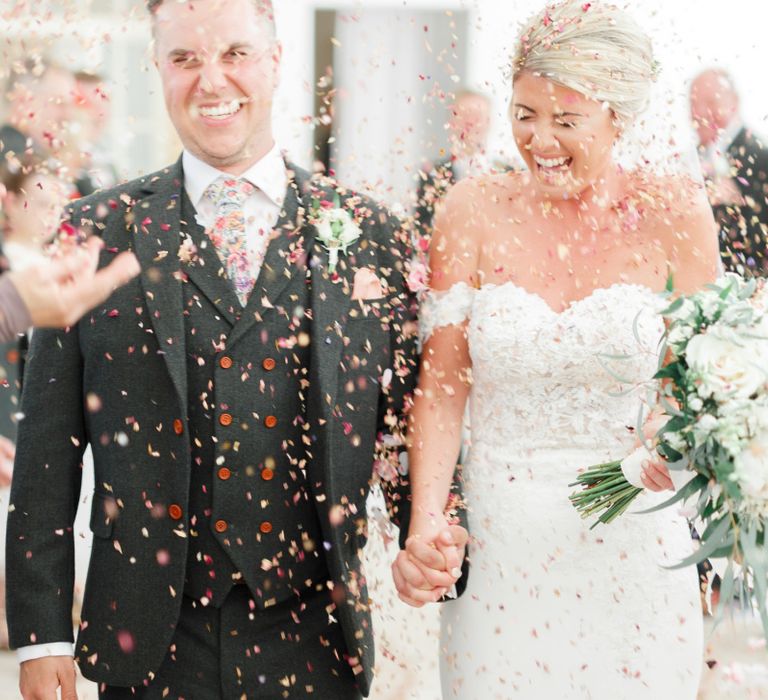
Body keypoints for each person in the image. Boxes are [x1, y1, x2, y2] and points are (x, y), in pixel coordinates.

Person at [6, 1, 466, 698]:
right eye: (185, 58)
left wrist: (424, 534)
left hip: (316, 635)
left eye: (235, 54)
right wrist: (41, 634)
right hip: (149, 641)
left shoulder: (372, 233)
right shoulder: (96, 229)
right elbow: (46, 454)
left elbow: (404, 423)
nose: (211, 80)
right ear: (157, 67)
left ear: (277, 60)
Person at [393, 1, 719, 698]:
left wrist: (674, 430)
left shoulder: (677, 213)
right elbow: (444, 388)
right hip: (504, 555)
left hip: (636, 545)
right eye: (524, 114)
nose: (539, 140)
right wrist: (426, 524)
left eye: (566, 122)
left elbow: (703, 374)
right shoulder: (469, 211)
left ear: (618, 116)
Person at [690, 68, 768, 276]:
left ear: (734, 102)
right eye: (693, 104)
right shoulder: (688, 160)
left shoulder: (761, 156)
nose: (699, 113)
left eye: (710, 103)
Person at [415, 90, 492, 243]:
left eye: (477, 116)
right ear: (451, 121)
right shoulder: (432, 174)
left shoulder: (511, 173)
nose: (470, 122)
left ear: (489, 122)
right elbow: (422, 229)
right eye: (464, 115)